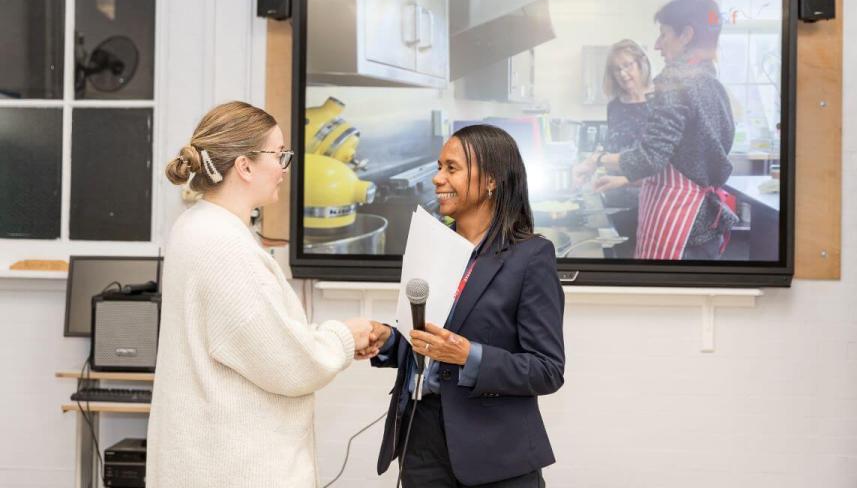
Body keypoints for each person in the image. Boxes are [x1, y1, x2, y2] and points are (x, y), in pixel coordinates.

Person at [146, 101, 375, 488]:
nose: (284, 167)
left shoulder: (195, 225)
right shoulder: (224, 246)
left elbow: (255, 339)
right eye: (279, 154)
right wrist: (344, 337)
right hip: (235, 469)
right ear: (245, 166)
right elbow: (290, 365)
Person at [365, 124, 566, 487]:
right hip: (420, 441)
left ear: (490, 180)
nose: (437, 179)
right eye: (438, 167)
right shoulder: (431, 246)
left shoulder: (531, 256)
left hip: (495, 454)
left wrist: (468, 355)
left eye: (451, 168)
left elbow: (547, 369)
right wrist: (388, 341)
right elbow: (425, 343)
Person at [594, 0, 738, 260]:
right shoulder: (712, 83)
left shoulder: (674, 81)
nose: (658, 45)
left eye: (664, 35)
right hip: (706, 221)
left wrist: (598, 160)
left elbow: (652, 157)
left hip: (679, 222)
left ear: (686, 35)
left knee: (661, 300)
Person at [573, 39, 654, 256]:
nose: (623, 73)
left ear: (642, 63)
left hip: (650, 201)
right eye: (616, 69)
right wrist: (590, 163)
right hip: (616, 198)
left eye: (627, 65)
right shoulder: (615, 105)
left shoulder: (661, 102)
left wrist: (624, 179)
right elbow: (612, 146)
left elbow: (656, 160)